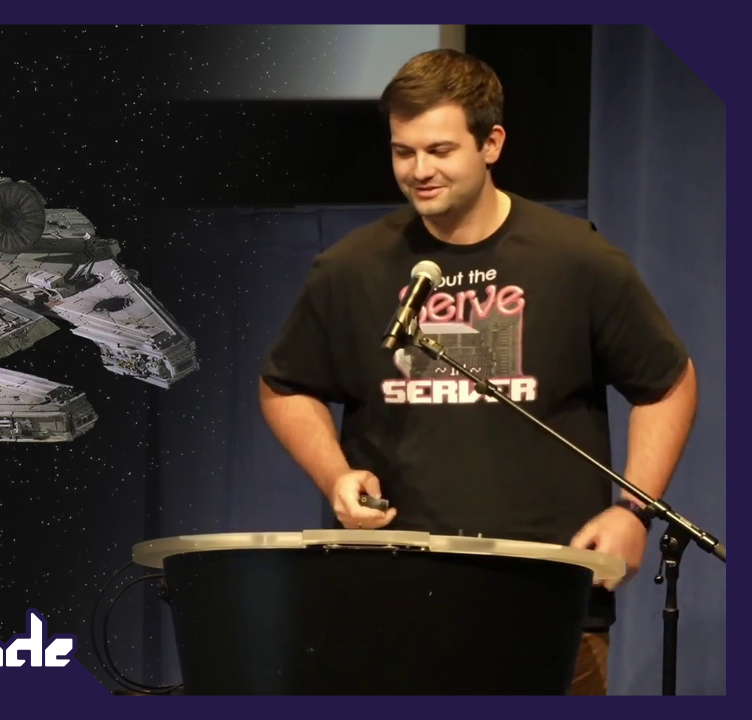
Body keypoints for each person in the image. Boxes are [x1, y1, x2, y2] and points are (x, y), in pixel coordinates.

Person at [258, 49, 698, 695]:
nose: (419, 171)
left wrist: (633, 510)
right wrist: (335, 476)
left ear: (491, 143)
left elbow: (667, 383)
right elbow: (285, 386)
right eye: (403, 152)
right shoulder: (351, 268)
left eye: (439, 150)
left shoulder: (576, 259)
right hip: (389, 594)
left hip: (548, 598)